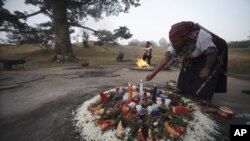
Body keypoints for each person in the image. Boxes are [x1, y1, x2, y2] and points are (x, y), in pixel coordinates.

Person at [146, 21, 228, 102]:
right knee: (184, 80)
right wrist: (153, 74)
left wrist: (207, 68)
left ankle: (200, 101)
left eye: (175, 41)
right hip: (196, 54)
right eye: (171, 41)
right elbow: (165, 59)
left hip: (214, 52)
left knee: (202, 80)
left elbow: (213, 52)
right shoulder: (174, 42)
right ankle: (184, 97)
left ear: (184, 37)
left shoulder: (201, 37)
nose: (173, 44)